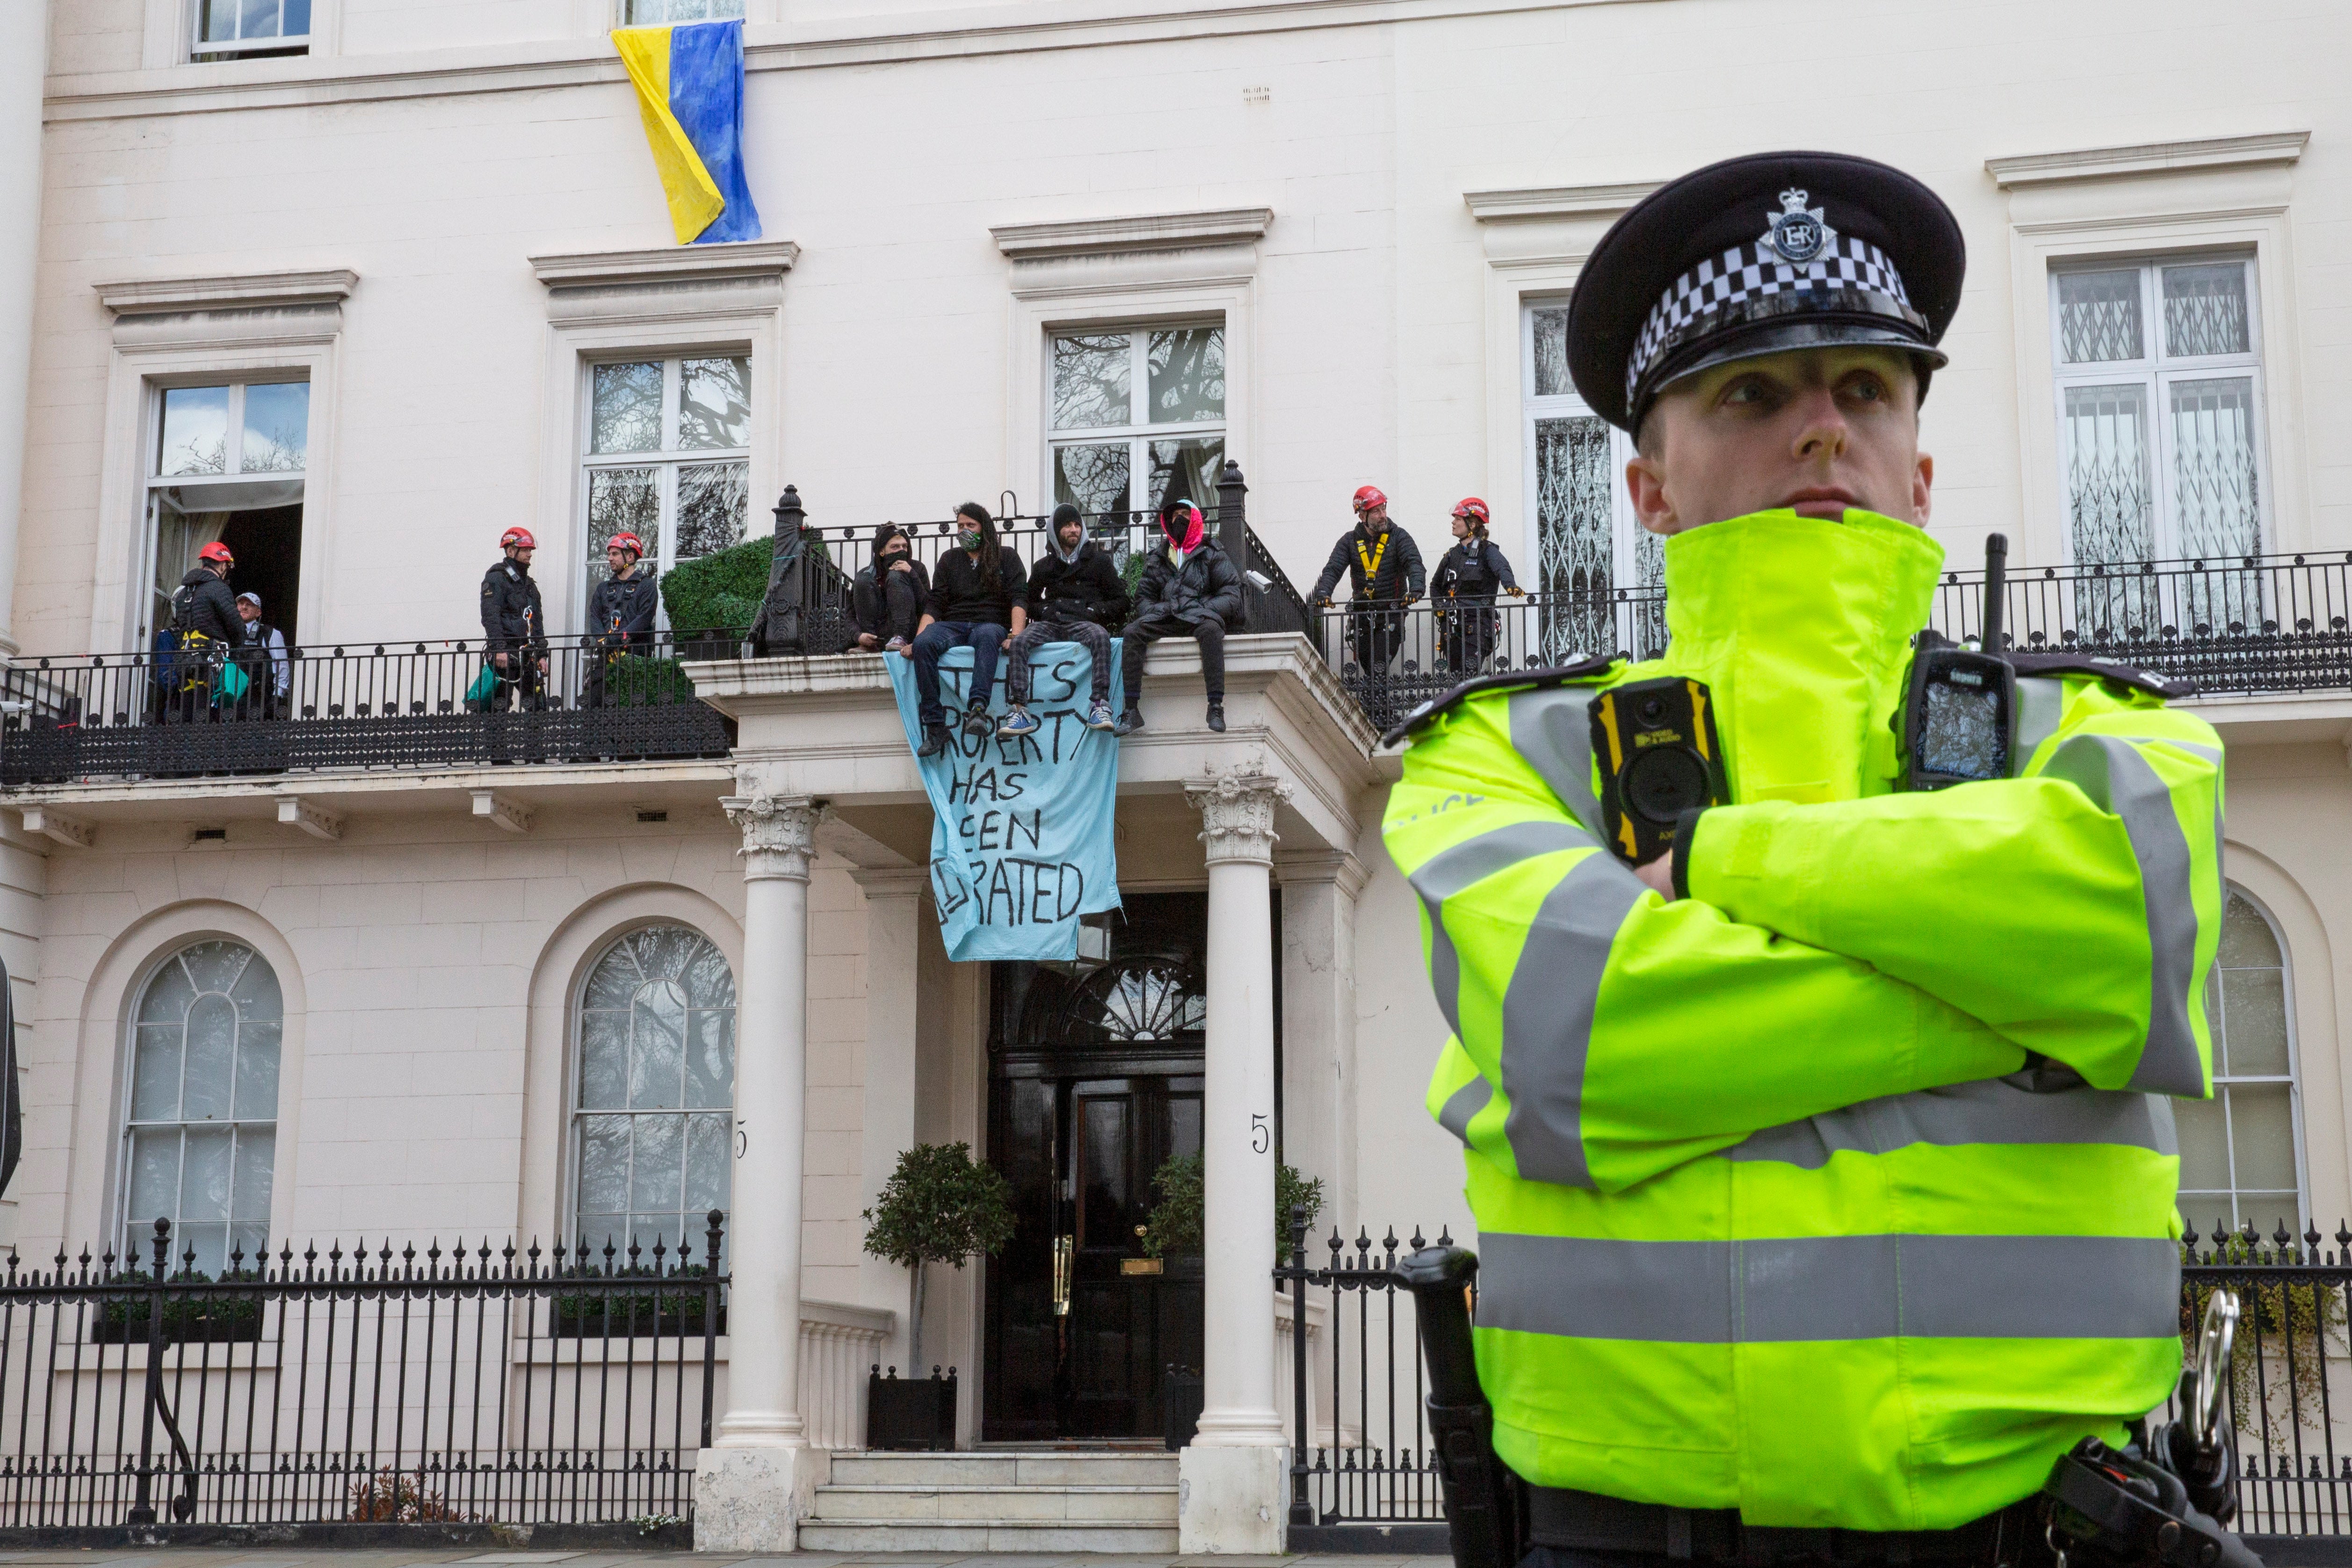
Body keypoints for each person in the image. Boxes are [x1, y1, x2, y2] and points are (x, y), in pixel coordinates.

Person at [1382, 152, 2225, 1563]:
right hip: (1616, 1527)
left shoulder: (2101, 730)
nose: (1821, 431)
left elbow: (2128, 955)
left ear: (1920, 464)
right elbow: (1588, 1046)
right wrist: (2017, 1000)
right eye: (1752, 393)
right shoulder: (1493, 755)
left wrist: (1720, 859)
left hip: (2033, 1524)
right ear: (1646, 487)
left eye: (1864, 389)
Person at [903, 501, 1027, 757]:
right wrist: (918, 639)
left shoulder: (1007, 557)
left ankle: (978, 710)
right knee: (925, 645)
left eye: (971, 525)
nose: (964, 531)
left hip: (990, 623)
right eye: (960, 526)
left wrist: (1016, 634)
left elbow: (1019, 598)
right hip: (954, 623)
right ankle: (935, 727)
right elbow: (935, 603)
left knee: (987, 636)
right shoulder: (949, 560)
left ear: (985, 528)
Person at [1115, 498, 1241, 736]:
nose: (1179, 520)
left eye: (1185, 514)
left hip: (1198, 617)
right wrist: (1163, 610)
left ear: (1195, 519)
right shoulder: (1158, 556)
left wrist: (1202, 609)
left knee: (1211, 632)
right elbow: (1142, 599)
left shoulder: (1212, 552)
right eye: (1174, 516)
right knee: (1133, 632)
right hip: (1168, 618)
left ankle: (1215, 707)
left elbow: (1232, 594)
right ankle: (1131, 710)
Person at [1001, 503, 1126, 737]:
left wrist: (1094, 612)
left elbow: (1121, 601)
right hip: (1052, 623)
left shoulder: (1100, 562)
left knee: (1101, 637)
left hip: (1085, 622)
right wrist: (1046, 611)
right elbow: (1029, 600)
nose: (1074, 530)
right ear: (1056, 531)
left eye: (1078, 524)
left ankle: (1099, 706)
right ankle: (1019, 711)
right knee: (1019, 642)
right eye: (1068, 525)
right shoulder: (1044, 567)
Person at [1308, 484, 1425, 675]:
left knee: (1378, 664)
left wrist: (1417, 589)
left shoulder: (1399, 537)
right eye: (1376, 511)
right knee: (1369, 666)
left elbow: (1414, 563)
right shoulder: (1349, 541)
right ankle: (1377, 705)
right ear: (1362, 515)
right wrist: (1323, 593)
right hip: (1363, 615)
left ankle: (1378, 705)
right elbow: (1333, 569)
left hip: (1391, 612)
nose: (1382, 515)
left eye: (1384, 509)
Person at [1429, 497, 1520, 675]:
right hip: (1452, 627)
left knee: (1469, 675)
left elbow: (1502, 568)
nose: (1453, 522)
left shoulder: (1488, 551)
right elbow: (1435, 585)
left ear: (1472, 525)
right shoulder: (1451, 556)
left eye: (1458, 519)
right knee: (1456, 677)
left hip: (1477, 626)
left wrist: (1511, 586)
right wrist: (1438, 606)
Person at [165, 540, 240, 722]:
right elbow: (235, 624)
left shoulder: (184, 593)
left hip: (185, 659)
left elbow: (182, 623)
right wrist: (238, 649)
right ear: (222, 564)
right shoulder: (218, 589)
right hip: (211, 661)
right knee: (212, 712)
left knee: (189, 708)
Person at [477, 526, 550, 713]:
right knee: (498, 708)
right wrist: (500, 649)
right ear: (511, 551)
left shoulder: (529, 586)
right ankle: (496, 744)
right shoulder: (496, 578)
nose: (530, 555)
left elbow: (537, 622)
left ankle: (534, 744)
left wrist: (542, 654)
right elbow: (490, 617)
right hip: (505, 655)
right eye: (526, 550)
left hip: (527, 656)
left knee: (539, 707)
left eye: (530, 550)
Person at [584, 530, 660, 708]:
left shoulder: (646, 585)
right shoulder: (603, 588)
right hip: (606, 659)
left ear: (630, 557)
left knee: (630, 708)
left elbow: (645, 617)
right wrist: (603, 639)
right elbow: (594, 616)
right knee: (593, 705)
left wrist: (617, 638)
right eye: (609, 554)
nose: (610, 558)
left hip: (635, 658)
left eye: (615, 554)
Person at [852, 523, 929, 652]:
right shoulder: (866, 574)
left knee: (896, 576)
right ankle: (870, 644)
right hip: (877, 636)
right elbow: (849, 614)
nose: (901, 550)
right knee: (863, 580)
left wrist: (912, 575)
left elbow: (929, 607)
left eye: (905, 546)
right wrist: (858, 636)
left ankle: (900, 637)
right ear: (882, 552)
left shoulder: (917, 568)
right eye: (895, 547)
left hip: (909, 633)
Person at [233, 591, 290, 719]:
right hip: (233, 696)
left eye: (250, 605)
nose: (244, 607)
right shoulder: (229, 633)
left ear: (258, 613)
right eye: (241, 604)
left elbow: (282, 664)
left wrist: (278, 694)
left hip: (261, 695)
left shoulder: (270, 633)